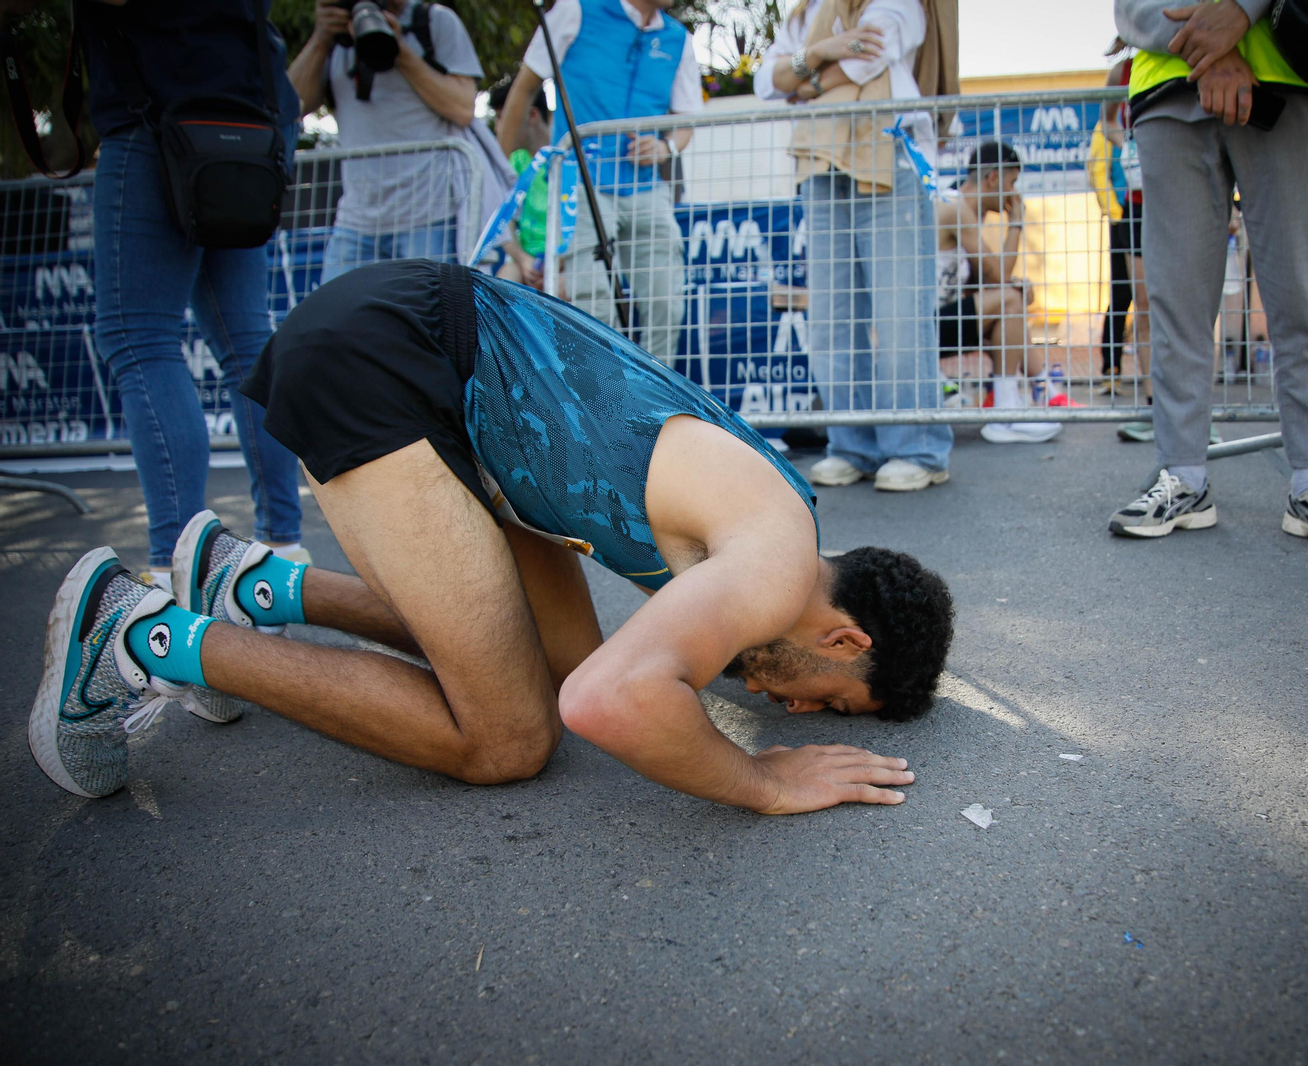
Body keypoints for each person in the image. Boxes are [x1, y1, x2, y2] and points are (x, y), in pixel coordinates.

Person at [29, 259, 955, 815]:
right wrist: (764, 781)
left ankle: (246, 581)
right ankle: (137, 633)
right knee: (511, 739)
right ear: (846, 638)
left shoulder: (781, 519)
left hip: (441, 381)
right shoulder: (775, 562)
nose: (792, 713)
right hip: (395, 365)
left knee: (552, 664)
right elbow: (613, 703)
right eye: (828, 703)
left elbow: (596, 670)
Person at [1107, 0, 1308, 553]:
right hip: (1170, 87)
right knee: (1176, 304)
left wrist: (1241, 11)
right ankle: (1183, 477)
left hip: (1293, 72)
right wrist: (1215, 46)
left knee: (1300, 295)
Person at [80, 1, 306, 606]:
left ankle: (178, 583)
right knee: (246, 344)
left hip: (158, 109)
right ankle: (277, 557)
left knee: (141, 339)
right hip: (246, 110)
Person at [756, 0, 950, 493]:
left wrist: (803, 78)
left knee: (900, 313)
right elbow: (764, 81)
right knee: (832, 316)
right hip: (821, 164)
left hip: (890, 155)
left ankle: (918, 448)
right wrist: (820, 51)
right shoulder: (806, 12)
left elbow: (869, 55)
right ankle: (852, 444)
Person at [498, 0, 702, 364]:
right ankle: (598, 408)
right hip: (578, 184)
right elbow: (524, 86)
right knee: (592, 306)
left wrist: (665, 147)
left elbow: (687, 120)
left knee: (666, 301)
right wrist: (500, 169)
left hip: (647, 189)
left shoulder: (678, 39)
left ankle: (660, 409)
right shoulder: (576, 10)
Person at [287, 0, 483, 282]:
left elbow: (463, 108)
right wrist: (321, 38)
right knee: (338, 322)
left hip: (430, 219)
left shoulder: (434, 21)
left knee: (425, 323)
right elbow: (289, 107)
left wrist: (400, 51)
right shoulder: (338, 36)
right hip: (355, 222)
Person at [934, 141, 1060, 444]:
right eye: (1012, 182)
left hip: (937, 322)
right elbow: (998, 276)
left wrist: (1011, 284)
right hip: (922, 327)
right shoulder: (954, 206)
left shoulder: (964, 212)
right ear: (992, 178)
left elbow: (988, 281)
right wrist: (1016, 224)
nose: (1014, 193)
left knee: (1009, 304)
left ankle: (1037, 394)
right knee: (1009, 301)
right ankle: (1008, 412)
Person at [1089, 46, 1149, 399]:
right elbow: (1097, 170)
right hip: (1126, 211)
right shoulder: (1121, 73)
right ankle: (1111, 369)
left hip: (1157, 201)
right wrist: (1113, 211)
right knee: (1124, 297)